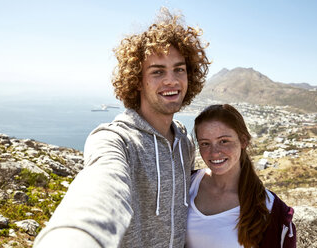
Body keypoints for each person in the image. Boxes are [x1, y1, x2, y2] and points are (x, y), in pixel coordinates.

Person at [33, 8, 210, 248]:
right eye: (158, 71)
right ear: (137, 80)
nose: (172, 80)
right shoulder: (115, 139)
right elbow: (101, 187)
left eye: (179, 69)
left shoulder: (184, 142)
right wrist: (75, 236)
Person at [186, 104, 296, 248]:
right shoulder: (187, 185)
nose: (214, 152)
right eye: (205, 143)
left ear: (243, 140)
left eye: (223, 141)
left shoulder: (270, 209)